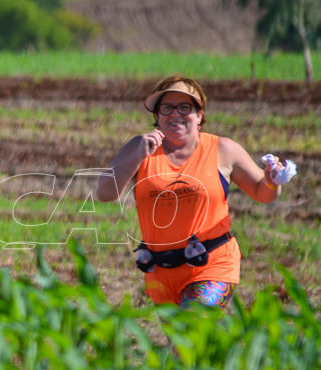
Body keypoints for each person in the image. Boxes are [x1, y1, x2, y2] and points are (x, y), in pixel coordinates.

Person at [95, 75, 290, 308]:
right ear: (157, 116)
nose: (175, 113)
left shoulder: (222, 150)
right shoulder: (139, 148)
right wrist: (137, 154)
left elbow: (263, 193)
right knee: (185, 344)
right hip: (161, 273)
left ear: (199, 116)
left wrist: (271, 182)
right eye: (167, 107)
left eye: (185, 107)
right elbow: (105, 193)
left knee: (191, 326)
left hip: (212, 265)